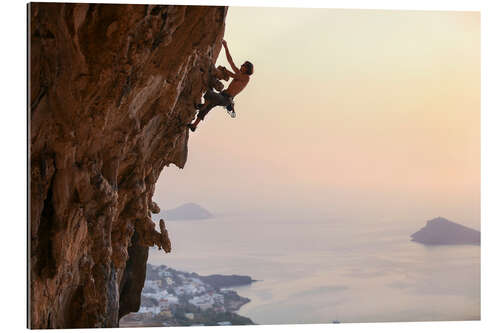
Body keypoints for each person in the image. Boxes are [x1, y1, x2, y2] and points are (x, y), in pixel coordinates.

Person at [188, 40, 254, 132]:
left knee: (210, 94)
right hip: (223, 95)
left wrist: (225, 70)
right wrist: (225, 46)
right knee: (207, 108)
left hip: (226, 99)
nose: (241, 66)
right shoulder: (240, 73)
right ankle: (194, 125)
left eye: (243, 65)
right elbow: (231, 61)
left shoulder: (246, 78)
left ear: (247, 68)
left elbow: (234, 76)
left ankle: (203, 105)